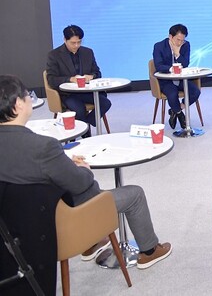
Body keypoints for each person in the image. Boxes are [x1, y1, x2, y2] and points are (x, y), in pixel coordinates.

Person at [0, 75, 172, 269]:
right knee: (134, 194)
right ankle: (149, 251)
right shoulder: (43, 146)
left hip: (19, 228)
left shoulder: (37, 148)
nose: (30, 99)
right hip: (63, 219)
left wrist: (62, 162)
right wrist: (83, 169)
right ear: (18, 105)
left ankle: (92, 244)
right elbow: (80, 184)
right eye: (27, 95)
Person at [46, 25, 111, 137]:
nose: (76, 45)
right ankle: (86, 135)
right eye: (73, 43)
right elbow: (51, 79)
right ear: (65, 40)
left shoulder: (88, 52)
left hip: (87, 91)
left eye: (79, 42)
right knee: (79, 109)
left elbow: (97, 73)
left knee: (105, 103)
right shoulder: (54, 55)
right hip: (67, 94)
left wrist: (91, 76)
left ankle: (85, 125)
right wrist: (70, 79)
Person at [153, 24, 201, 130]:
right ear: (170, 36)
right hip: (165, 80)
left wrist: (177, 53)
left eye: (182, 40)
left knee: (195, 92)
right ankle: (180, 114)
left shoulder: (186, 45)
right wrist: (172, 69)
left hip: (181, 79)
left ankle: (175, 110)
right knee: (172, 93)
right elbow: (159, 65)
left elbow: (185, 64)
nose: (180, 43)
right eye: (178, 40)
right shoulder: (159, 46)